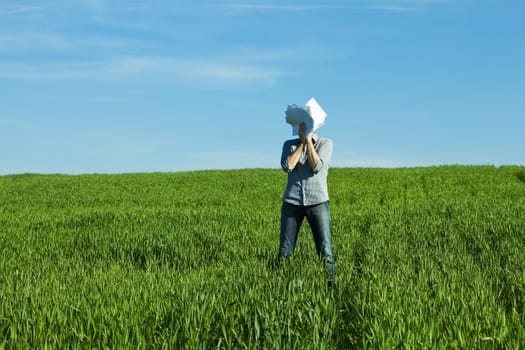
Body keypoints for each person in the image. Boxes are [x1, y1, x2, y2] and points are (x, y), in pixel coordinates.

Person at [278, 121, 335, 289]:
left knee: (325, 248)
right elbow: (287, 166)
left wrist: (308, 142)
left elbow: (317, 166)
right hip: (292, 201)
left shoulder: (325, 143)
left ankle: (330, 288)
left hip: (317, 201)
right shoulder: (289, 145)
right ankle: (282, 286)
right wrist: (301, 143)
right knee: (285, 249)